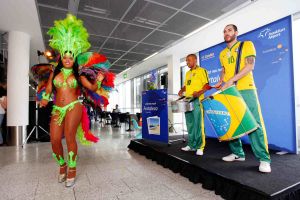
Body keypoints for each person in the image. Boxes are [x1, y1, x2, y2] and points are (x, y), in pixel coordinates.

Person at [40, 14, 105, 187]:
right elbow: (48, 89)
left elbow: (91, 88)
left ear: (74, 58)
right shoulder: (55, 72)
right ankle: (62, 165)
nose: (68, 59)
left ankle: (72, 169)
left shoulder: (79, 75)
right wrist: (45, 99)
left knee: (69, 137)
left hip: (73, 107)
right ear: (61, 57)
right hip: (57, 109)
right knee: (54, 140)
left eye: (71, 57)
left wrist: (98, 80)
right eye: (65, 56)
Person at [214, 24, 271, 173]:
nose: (226, 33)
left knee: (254, 123)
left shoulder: (246, 45)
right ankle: (238, 153)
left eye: (229, 30)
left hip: (246, 88)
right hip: (229, 91)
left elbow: (249, 66)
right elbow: (224, 70)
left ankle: (264, 159)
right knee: (232, 123)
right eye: (224, 31)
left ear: (236, 32)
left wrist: (231, 80)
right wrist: (222, 80)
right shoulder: (222, 53)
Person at [178, 54, 211, 156]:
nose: (187, 62)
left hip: (197, 101)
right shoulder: (187, 73)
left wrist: (199, 93)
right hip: (187, 101)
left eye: (189, 60)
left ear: (195, 60)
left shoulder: (202, 71)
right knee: (190, 124)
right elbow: (186, 85)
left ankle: (200, 147)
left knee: (198, 125)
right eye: (186, 61)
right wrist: (182, 90)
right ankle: (191, 144)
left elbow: (207, 85)